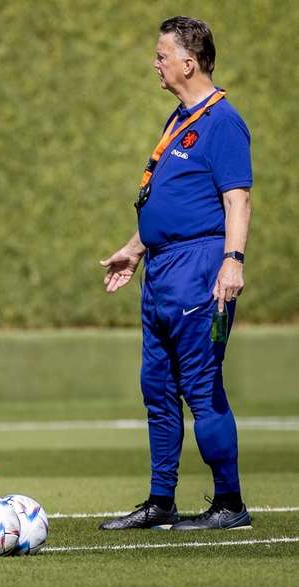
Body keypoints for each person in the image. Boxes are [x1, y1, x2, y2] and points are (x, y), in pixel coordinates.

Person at [99, 16, 252, 530]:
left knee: (202, 385)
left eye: (162, 55)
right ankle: (161, 500)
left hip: (200, 268)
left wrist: (233, 262)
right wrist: (136, 247)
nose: (156, 63)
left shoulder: (222, 122)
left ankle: (229, 504)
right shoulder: (178, 119)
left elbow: (237, 199)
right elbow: (174, 201)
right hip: (161, 270)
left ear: (189, 62)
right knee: (157, 388)